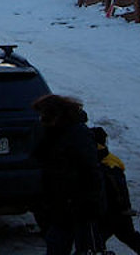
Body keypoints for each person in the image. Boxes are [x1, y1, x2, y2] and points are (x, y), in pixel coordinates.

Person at [32, 94, 106, 255]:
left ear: (55, 114)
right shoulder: (53, 133)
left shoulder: (76, 134)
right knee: (57, 243)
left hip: (80, 204)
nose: (40, 118)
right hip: (61, 205)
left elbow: (90, 169)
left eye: (43, 114)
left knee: (85, 247)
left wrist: (91, 202)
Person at [92, 127, 140, 254]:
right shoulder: (112, 159)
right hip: (120, 210)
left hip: (110, 212)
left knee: (95, 242)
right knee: (129, 236)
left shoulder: (102, 164)